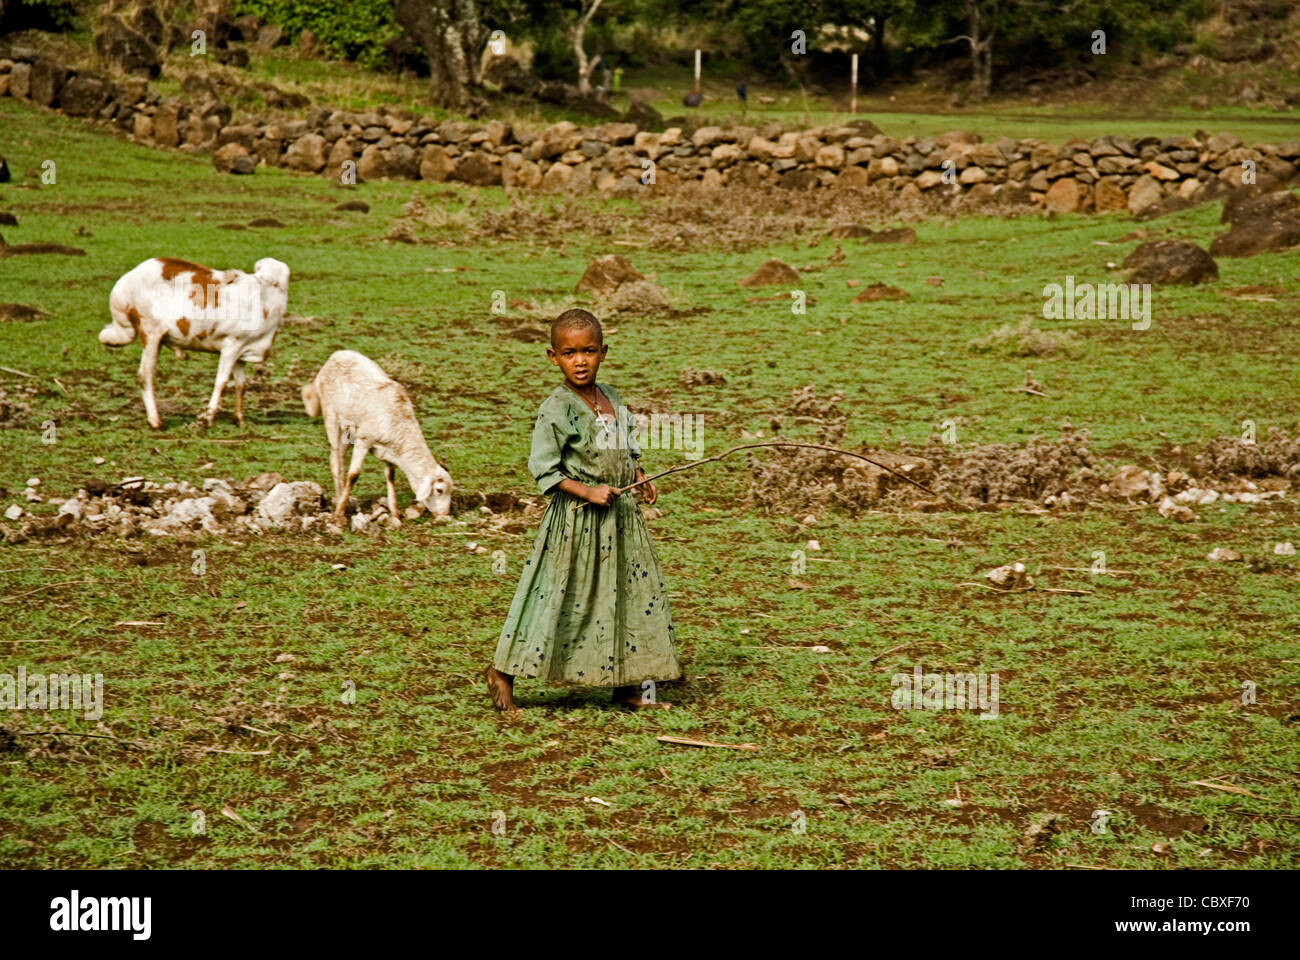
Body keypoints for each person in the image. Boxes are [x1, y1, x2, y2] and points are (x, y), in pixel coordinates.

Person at [486, 309, 682, 712]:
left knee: (630, 596)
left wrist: (639, 474)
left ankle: (626, 685)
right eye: (569, 352)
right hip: (576, 523)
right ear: (552, 357)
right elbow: (544, 469)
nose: (580, 360)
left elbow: (624, 445)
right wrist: (587, 492)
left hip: (622, 521)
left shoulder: (612, 397)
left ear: (603, 352)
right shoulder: (555, 408)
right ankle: (503, 672)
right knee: (555, 597)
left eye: (589, 351)